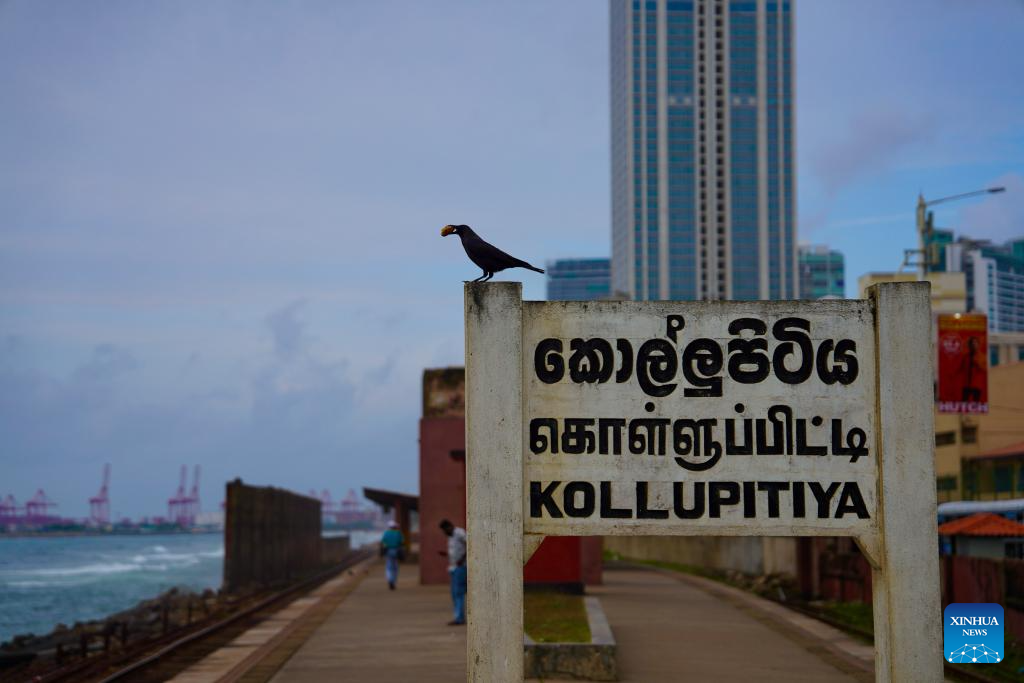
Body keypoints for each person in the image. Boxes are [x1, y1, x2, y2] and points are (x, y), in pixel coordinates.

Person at [438, 518, 467, 625]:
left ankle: (459, 618)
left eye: (444, 530)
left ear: (449, 527)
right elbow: (456, 551)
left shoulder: (459, 533)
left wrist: (462, 560)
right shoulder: (450, 536)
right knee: (454, 593)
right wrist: (446, 554)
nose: (444, 533)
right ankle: (458, 616)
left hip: (461, 567)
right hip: (453, 567)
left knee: (458, 592)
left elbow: (470, 545)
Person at [380, 520, 404, 590]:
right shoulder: (398, 533)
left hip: (388, 551)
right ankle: (393, 581)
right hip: (396, 551)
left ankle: (390, 579)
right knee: (395, 567)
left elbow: (383, 542)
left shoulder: (386, 533)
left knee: (389, 567)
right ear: (395, 526)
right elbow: (402, 542)